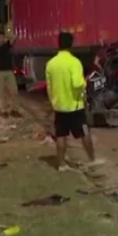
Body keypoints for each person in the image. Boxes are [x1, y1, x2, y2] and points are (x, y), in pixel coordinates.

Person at [45, 32, 103, 171]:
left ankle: (61, 164)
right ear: (71, 44)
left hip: (59, 106)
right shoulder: (74, 62)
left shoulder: (51, 64)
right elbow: (77, 84)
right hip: (75, 106)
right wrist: (85, 81)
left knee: (61, 135)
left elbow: (49, 86)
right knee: (84, 133)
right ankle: (92, 160)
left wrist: (53, 102)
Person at [0, 30, 21, 118]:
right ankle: (4, 111)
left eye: (2, 36)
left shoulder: (6, 45)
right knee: (1, 92)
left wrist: (7, 36)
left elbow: (15, 37)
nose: (1, 38)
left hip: (8, 71)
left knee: (14, 90)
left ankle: (14, 109)